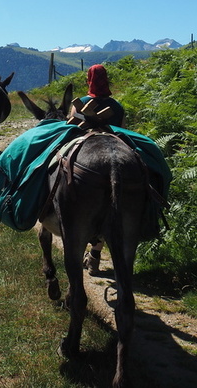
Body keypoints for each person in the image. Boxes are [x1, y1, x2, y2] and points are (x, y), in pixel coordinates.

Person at [69, 63, 125, 275]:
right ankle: (95, 254)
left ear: (89, 81)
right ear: (107, 80)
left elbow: (70, 127)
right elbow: (123, 132)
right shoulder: (117, 106)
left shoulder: (81, 103)